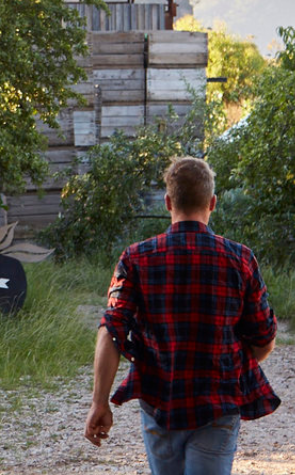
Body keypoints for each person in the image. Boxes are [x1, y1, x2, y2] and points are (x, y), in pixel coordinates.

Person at [83, 156, 279, 475]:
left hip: (160, 401)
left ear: (167, 202)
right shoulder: (240, 259)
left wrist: (99, 402)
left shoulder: (135, 259)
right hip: (218, 401)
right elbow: (263, 339)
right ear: (212, 203)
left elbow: (111, 330)